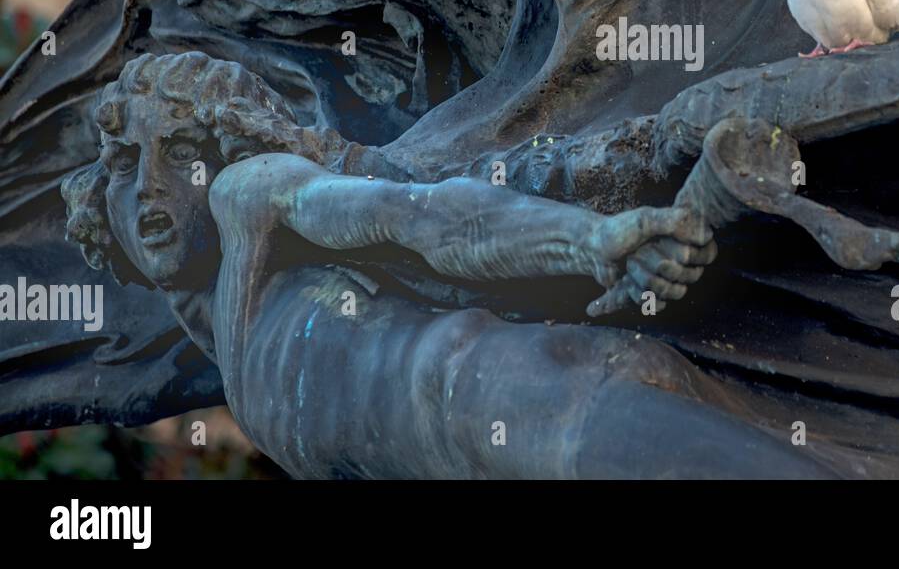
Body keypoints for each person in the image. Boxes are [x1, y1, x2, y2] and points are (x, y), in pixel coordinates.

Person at [63, 51, 833, 477]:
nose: (151, 188)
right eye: (127, 163)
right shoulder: (239, 348)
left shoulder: (249, 193)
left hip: (549, 407)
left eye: (184, 154)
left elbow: (417, 215)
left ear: (229, 153)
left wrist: (588, 241)